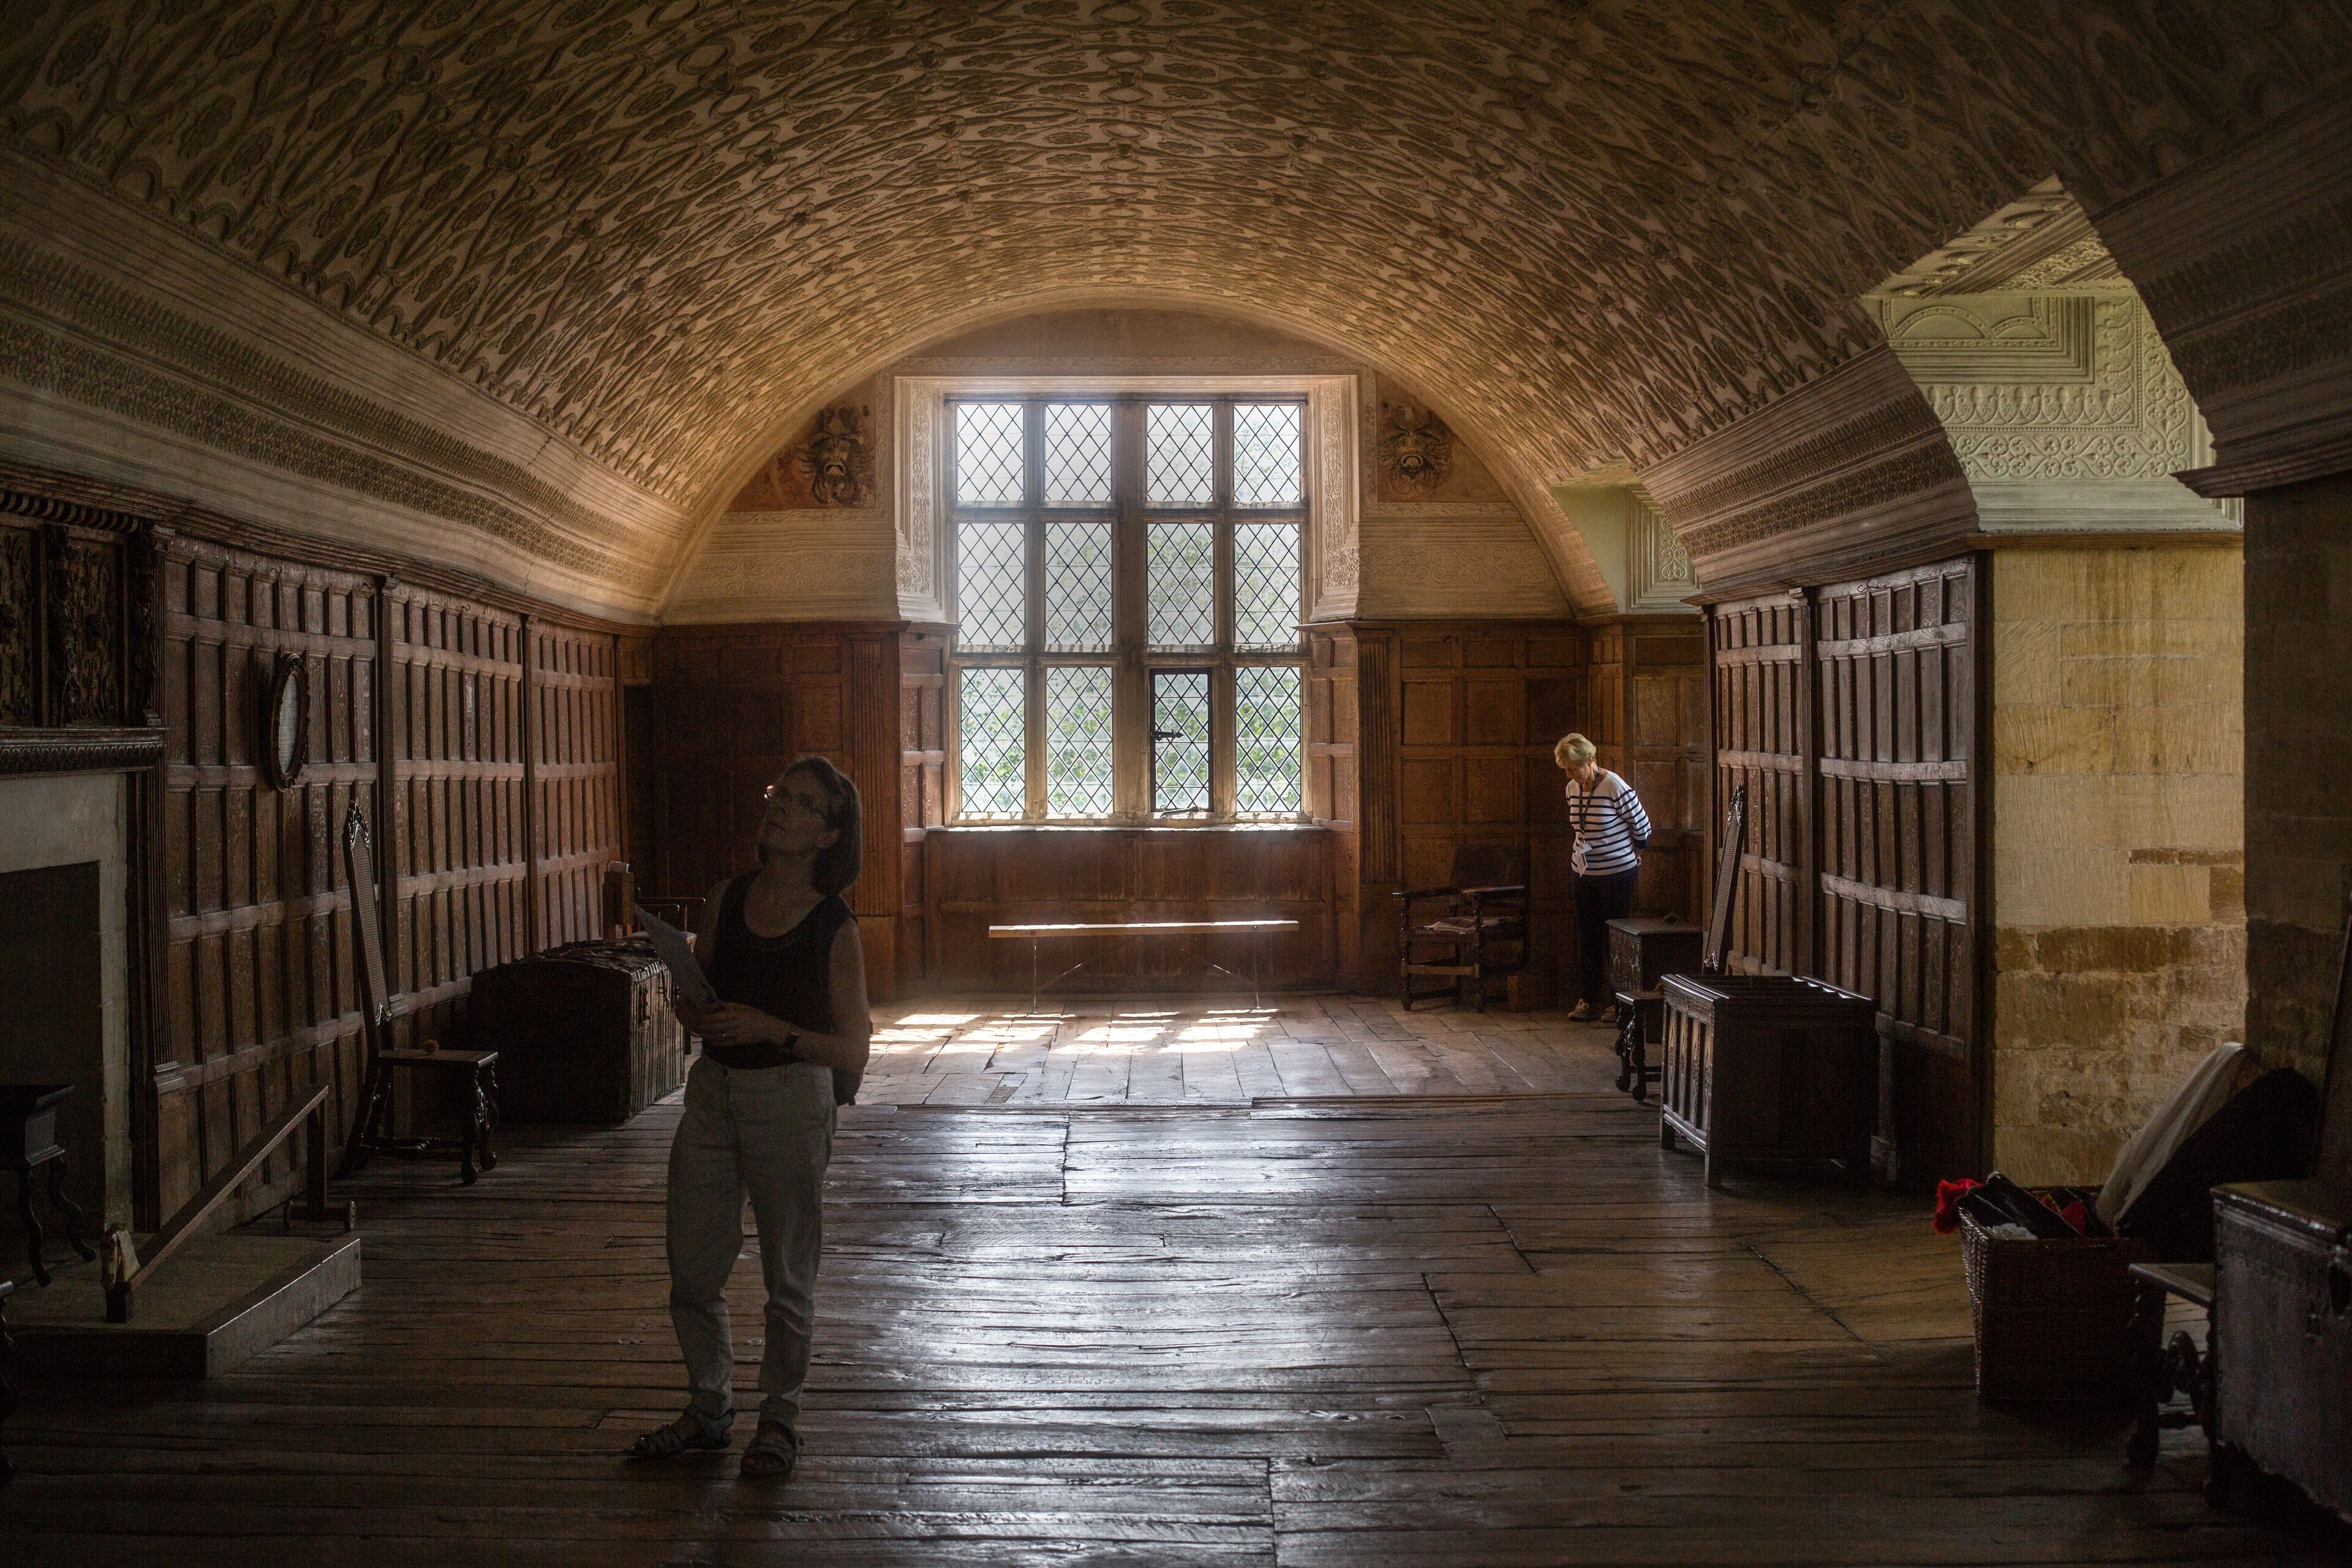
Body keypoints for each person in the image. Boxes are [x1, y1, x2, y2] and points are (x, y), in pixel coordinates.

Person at [629, 756, 872, 1479]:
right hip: (712, 1095)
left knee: (787, 1272)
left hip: (791, 1100)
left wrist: (770, 1026)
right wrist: (692, 1004)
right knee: (692, 1266)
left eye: (801, 804)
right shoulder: (727, 896)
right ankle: (709, 1407)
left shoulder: (834, 926)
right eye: (779, 794)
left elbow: (854, 1046)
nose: (779, 809)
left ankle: (779, 1417)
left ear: (827, 837)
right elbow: (707, 989)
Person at [1556, 733, 1651, 1023]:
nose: (1570, 774)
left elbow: (1643, 829)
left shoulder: (1614, 785)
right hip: (1583, 873)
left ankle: (1617, 1003)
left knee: (1616, 939)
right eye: (1566, 770)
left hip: (1617, 875)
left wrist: (1633, 852)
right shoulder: (1572, 788)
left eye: (1572, 768)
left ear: (1589, 760)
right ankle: (1588, 1000)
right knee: (1587, 937)